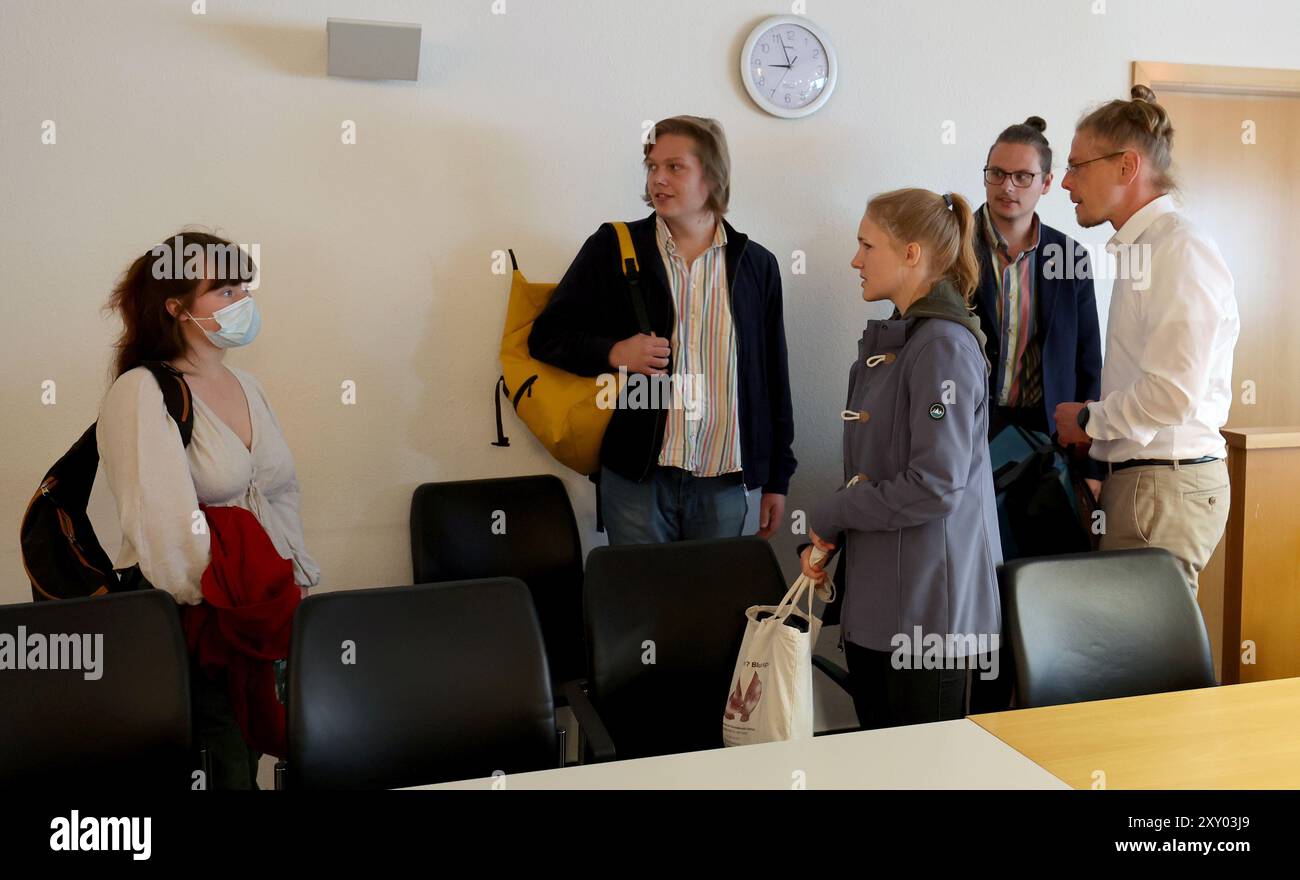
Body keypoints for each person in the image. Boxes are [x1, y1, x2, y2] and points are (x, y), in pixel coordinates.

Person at [98, 230, 320, 788]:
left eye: (243, 285)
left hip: (268, 616)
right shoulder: (143, 391)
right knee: (222, 771)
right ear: (176, 308)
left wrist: (290, 582)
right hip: (204, 628)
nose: (242, 300)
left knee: (257, 759)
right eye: (223, 290)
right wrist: (232, 608)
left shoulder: (246, 384)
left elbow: (279, 493)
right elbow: (162, 529)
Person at [528, 115, 796, 545]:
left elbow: (772, 379)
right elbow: (546, 336)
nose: (659, 179)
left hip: (723, 477)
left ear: (712, 174)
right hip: (636, 477)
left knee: (711, 608)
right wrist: (615, 352)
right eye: (652, 167)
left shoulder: (756, 265)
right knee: (638, 604)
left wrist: (778, 478)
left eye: (675, 167)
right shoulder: (613, 247)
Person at [802, 189, 1002, 729]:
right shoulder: (907, 338)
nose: (855, 260)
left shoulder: (942, 347)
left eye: (867, 245)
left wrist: (834, 513)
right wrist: (833, 530)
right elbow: (882, 474)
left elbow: (935, 486)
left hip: (927, 614)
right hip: (885, 602)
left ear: (912, 253)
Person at [1055, 86, 1239, 597]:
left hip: (1163, 485)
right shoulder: (1148, 251)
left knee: (1146, 670)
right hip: (1146, 482)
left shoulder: (1179, 251)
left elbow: (1172, 395)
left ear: (1125, 167)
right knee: (1130, 659)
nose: (1066, 183)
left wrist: (1091, 419)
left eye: (1077, 166)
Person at [973, 115, 1103, 501]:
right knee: (973, 557)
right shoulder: (953, 245)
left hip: (1046, 435)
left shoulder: (1068, 256)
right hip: (968, 431)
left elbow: (1088, 362)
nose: (1006, 186)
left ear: (1046, 183)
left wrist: (1092, 463)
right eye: (996, 173)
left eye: (1022, 176)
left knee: (1038, 555)